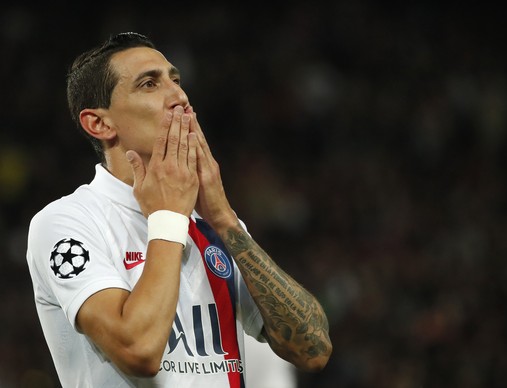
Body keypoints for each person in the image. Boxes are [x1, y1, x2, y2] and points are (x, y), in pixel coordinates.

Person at [26, 32, 332, 387]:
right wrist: (169, 218)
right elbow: (139, 350)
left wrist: (226, 220)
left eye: (176, 80)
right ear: (100, 123)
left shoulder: (212, 224)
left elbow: (313, 350)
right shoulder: (68, 221)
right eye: (149, 84)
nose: (180, 97)